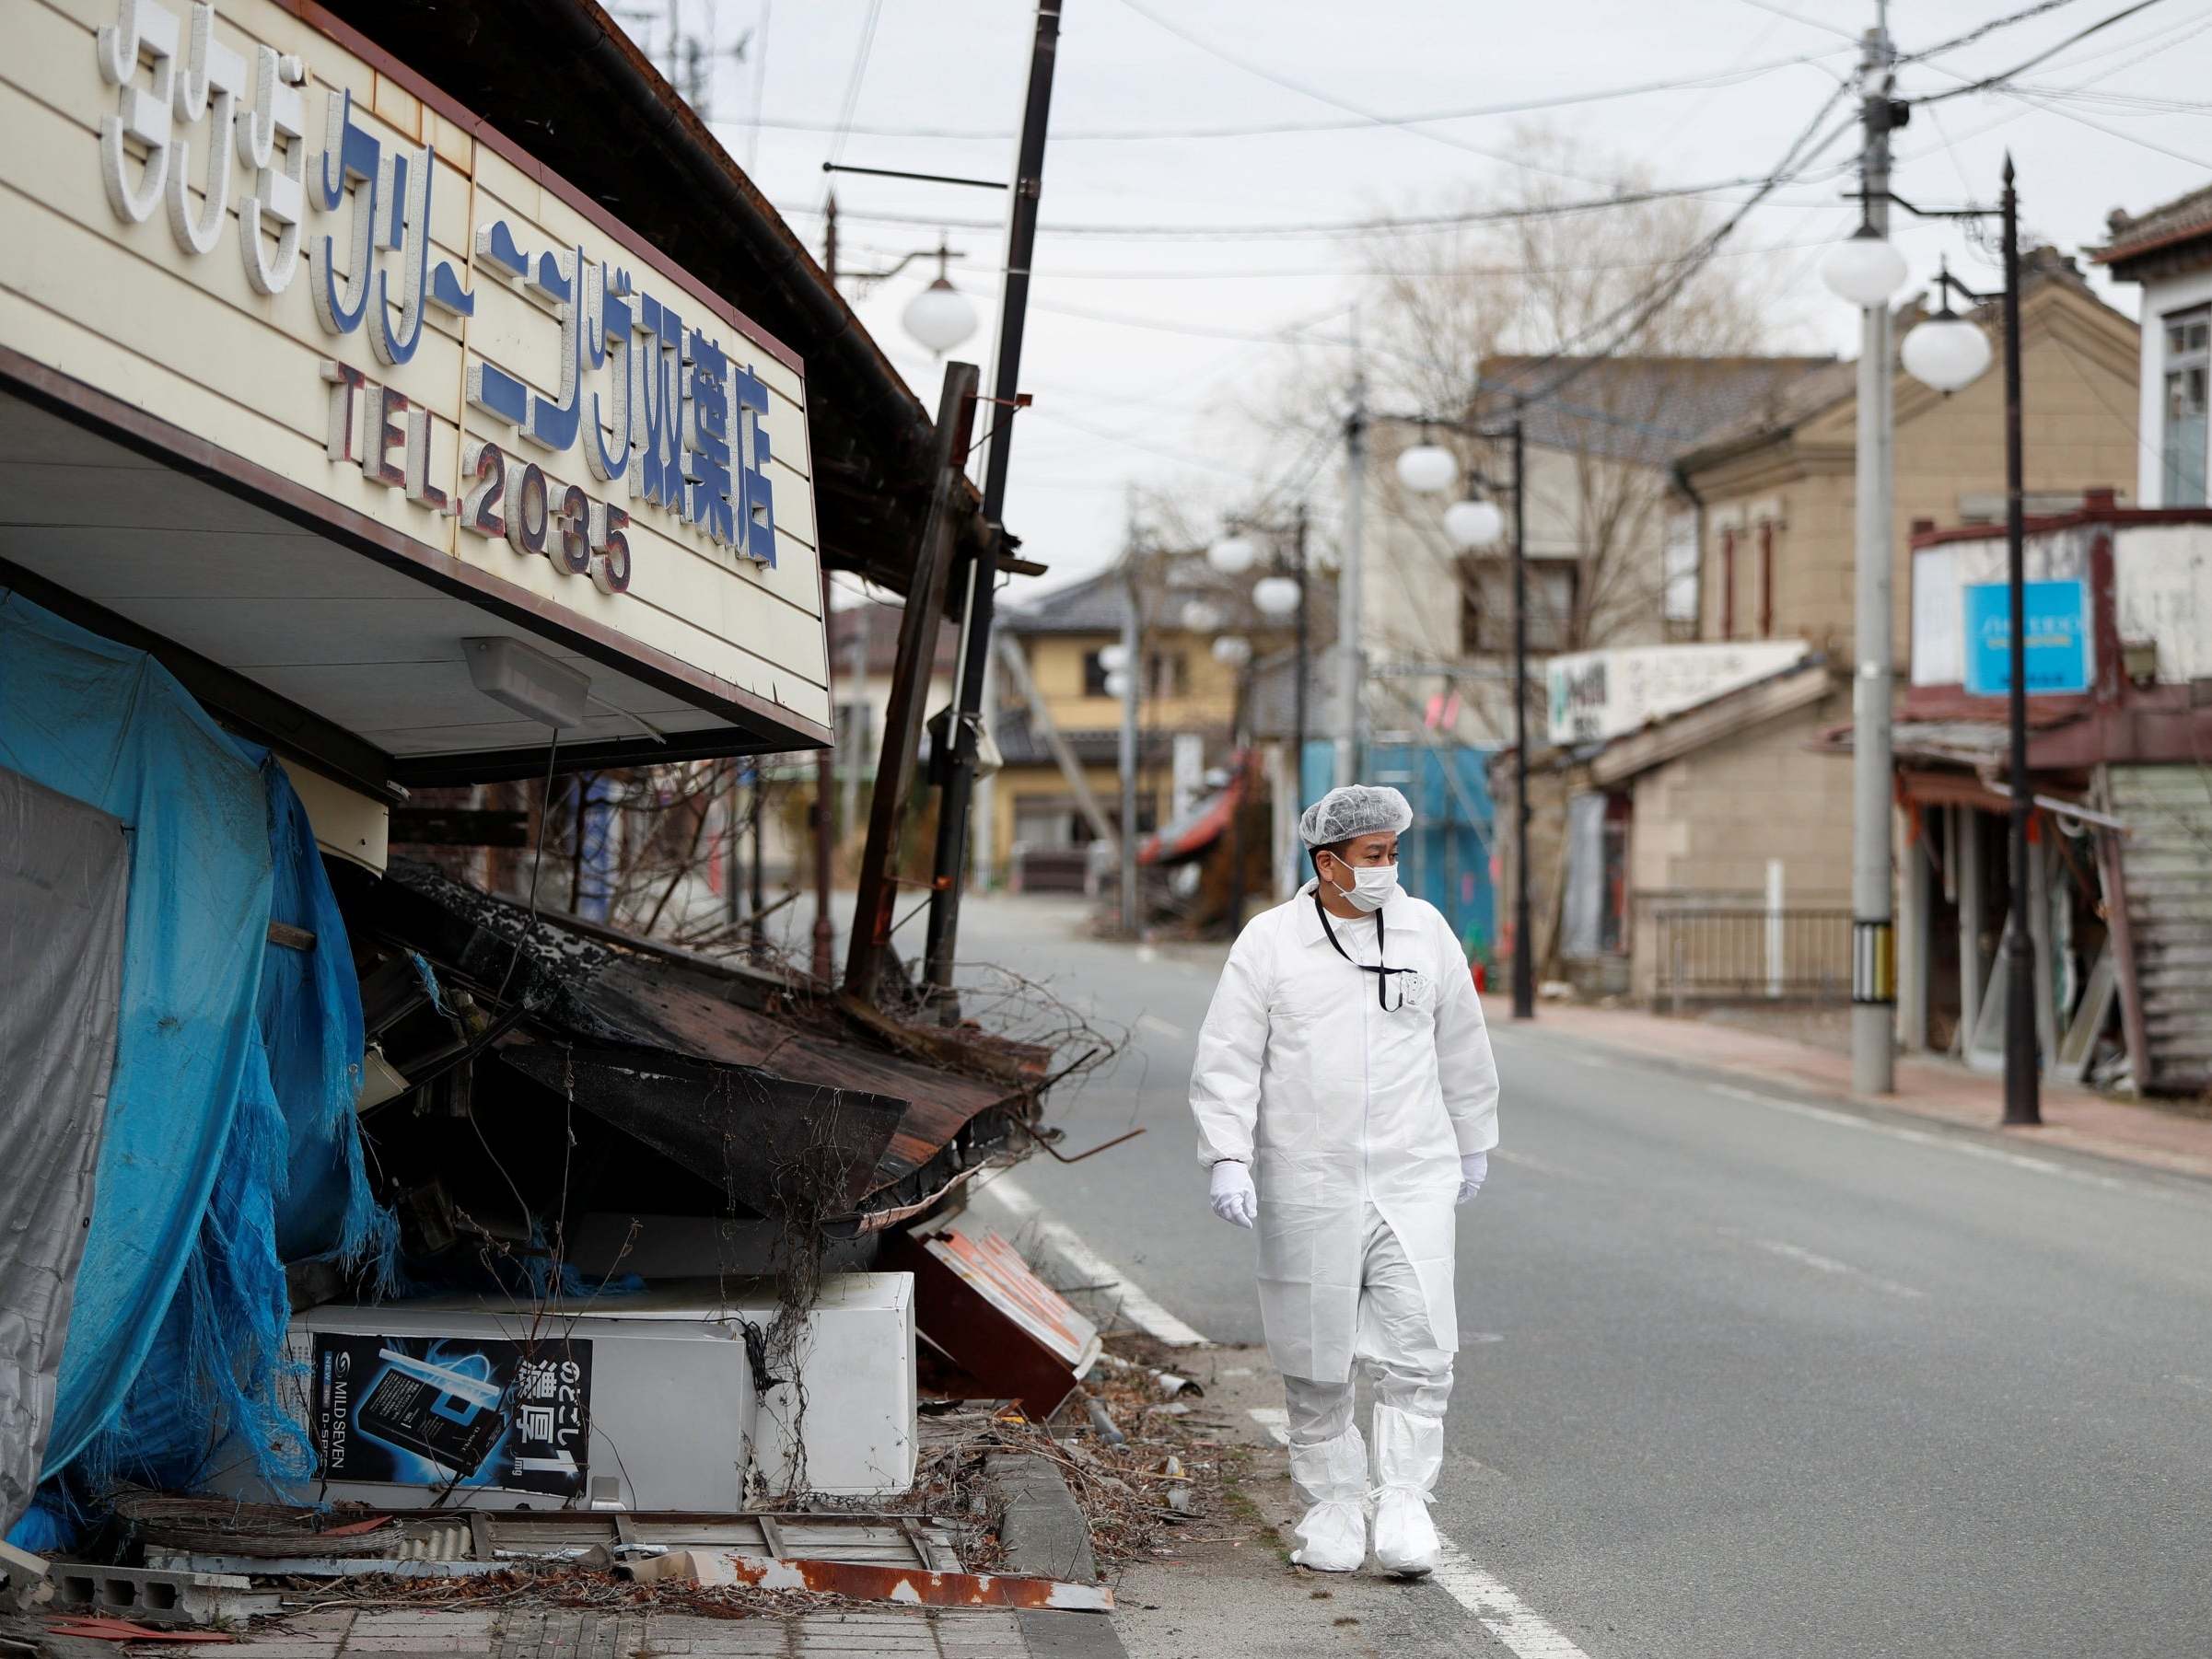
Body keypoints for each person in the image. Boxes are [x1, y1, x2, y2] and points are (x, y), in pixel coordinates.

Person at [1188, 783, 1499, 1576]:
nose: (1387, 870)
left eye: (1393, 854)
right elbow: (1228, 1055)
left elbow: (1462, 1041)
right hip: (1309, 1178)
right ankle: (1331, 1509)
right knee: (1314, 1354)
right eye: (1372, 857)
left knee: (1422, 1348)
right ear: (1327, 863)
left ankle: (1403, 1505)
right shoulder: (1270, 942)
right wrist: (1228, 1153)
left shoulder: (1425, 930)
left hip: (1413, 1172)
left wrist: (1473, 1140)